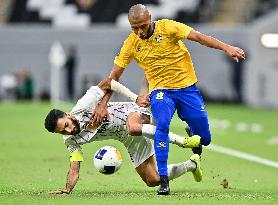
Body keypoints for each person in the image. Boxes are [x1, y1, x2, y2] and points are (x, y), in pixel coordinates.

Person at [91, 4, 246, 195]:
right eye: (135, 28)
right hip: (161, 92)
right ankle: (164, 181)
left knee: (204, 139)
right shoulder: (131, 44)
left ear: (150, 19)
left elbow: (198, 37)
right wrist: (102, 104)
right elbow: (113, 77)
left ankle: (193, 132)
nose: (139, 31)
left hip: (187, 89)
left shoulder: (168, 27)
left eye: (143, 26)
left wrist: (227, 48)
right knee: (162, 124)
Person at [44, 78, 202, 194]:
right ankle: (191, 165)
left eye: (66, 125)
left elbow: (109, 82)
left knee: (132, 128)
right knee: (153, 179)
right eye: (63, 132)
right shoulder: (70, 140)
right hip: (127, 138)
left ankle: (184, 141)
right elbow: (75, 166)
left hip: (131, 113)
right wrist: (68, 189)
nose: (69, 130)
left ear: (68, 115)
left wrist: (133, 98)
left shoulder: (83, 105)